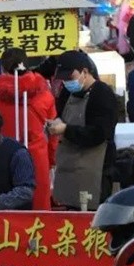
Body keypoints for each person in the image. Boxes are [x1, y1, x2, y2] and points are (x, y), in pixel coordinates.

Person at [0, 49, 57, 211]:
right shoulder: (43, 92)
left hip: (3, 156)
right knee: (38, 209)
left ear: (2, 67)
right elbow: (53, 132)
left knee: (5, 208)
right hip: (36, 157)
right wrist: (51, 159)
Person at [47, 51, 118, 209]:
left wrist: (66, 129)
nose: (67, 82)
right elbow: (60, 113)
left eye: (70, 78)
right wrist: (57, 121)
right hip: (69, 165)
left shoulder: (102, 94)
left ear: (84, 72)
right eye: (64, 79)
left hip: (95, 169)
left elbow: (100, 133)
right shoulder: (67, 92)